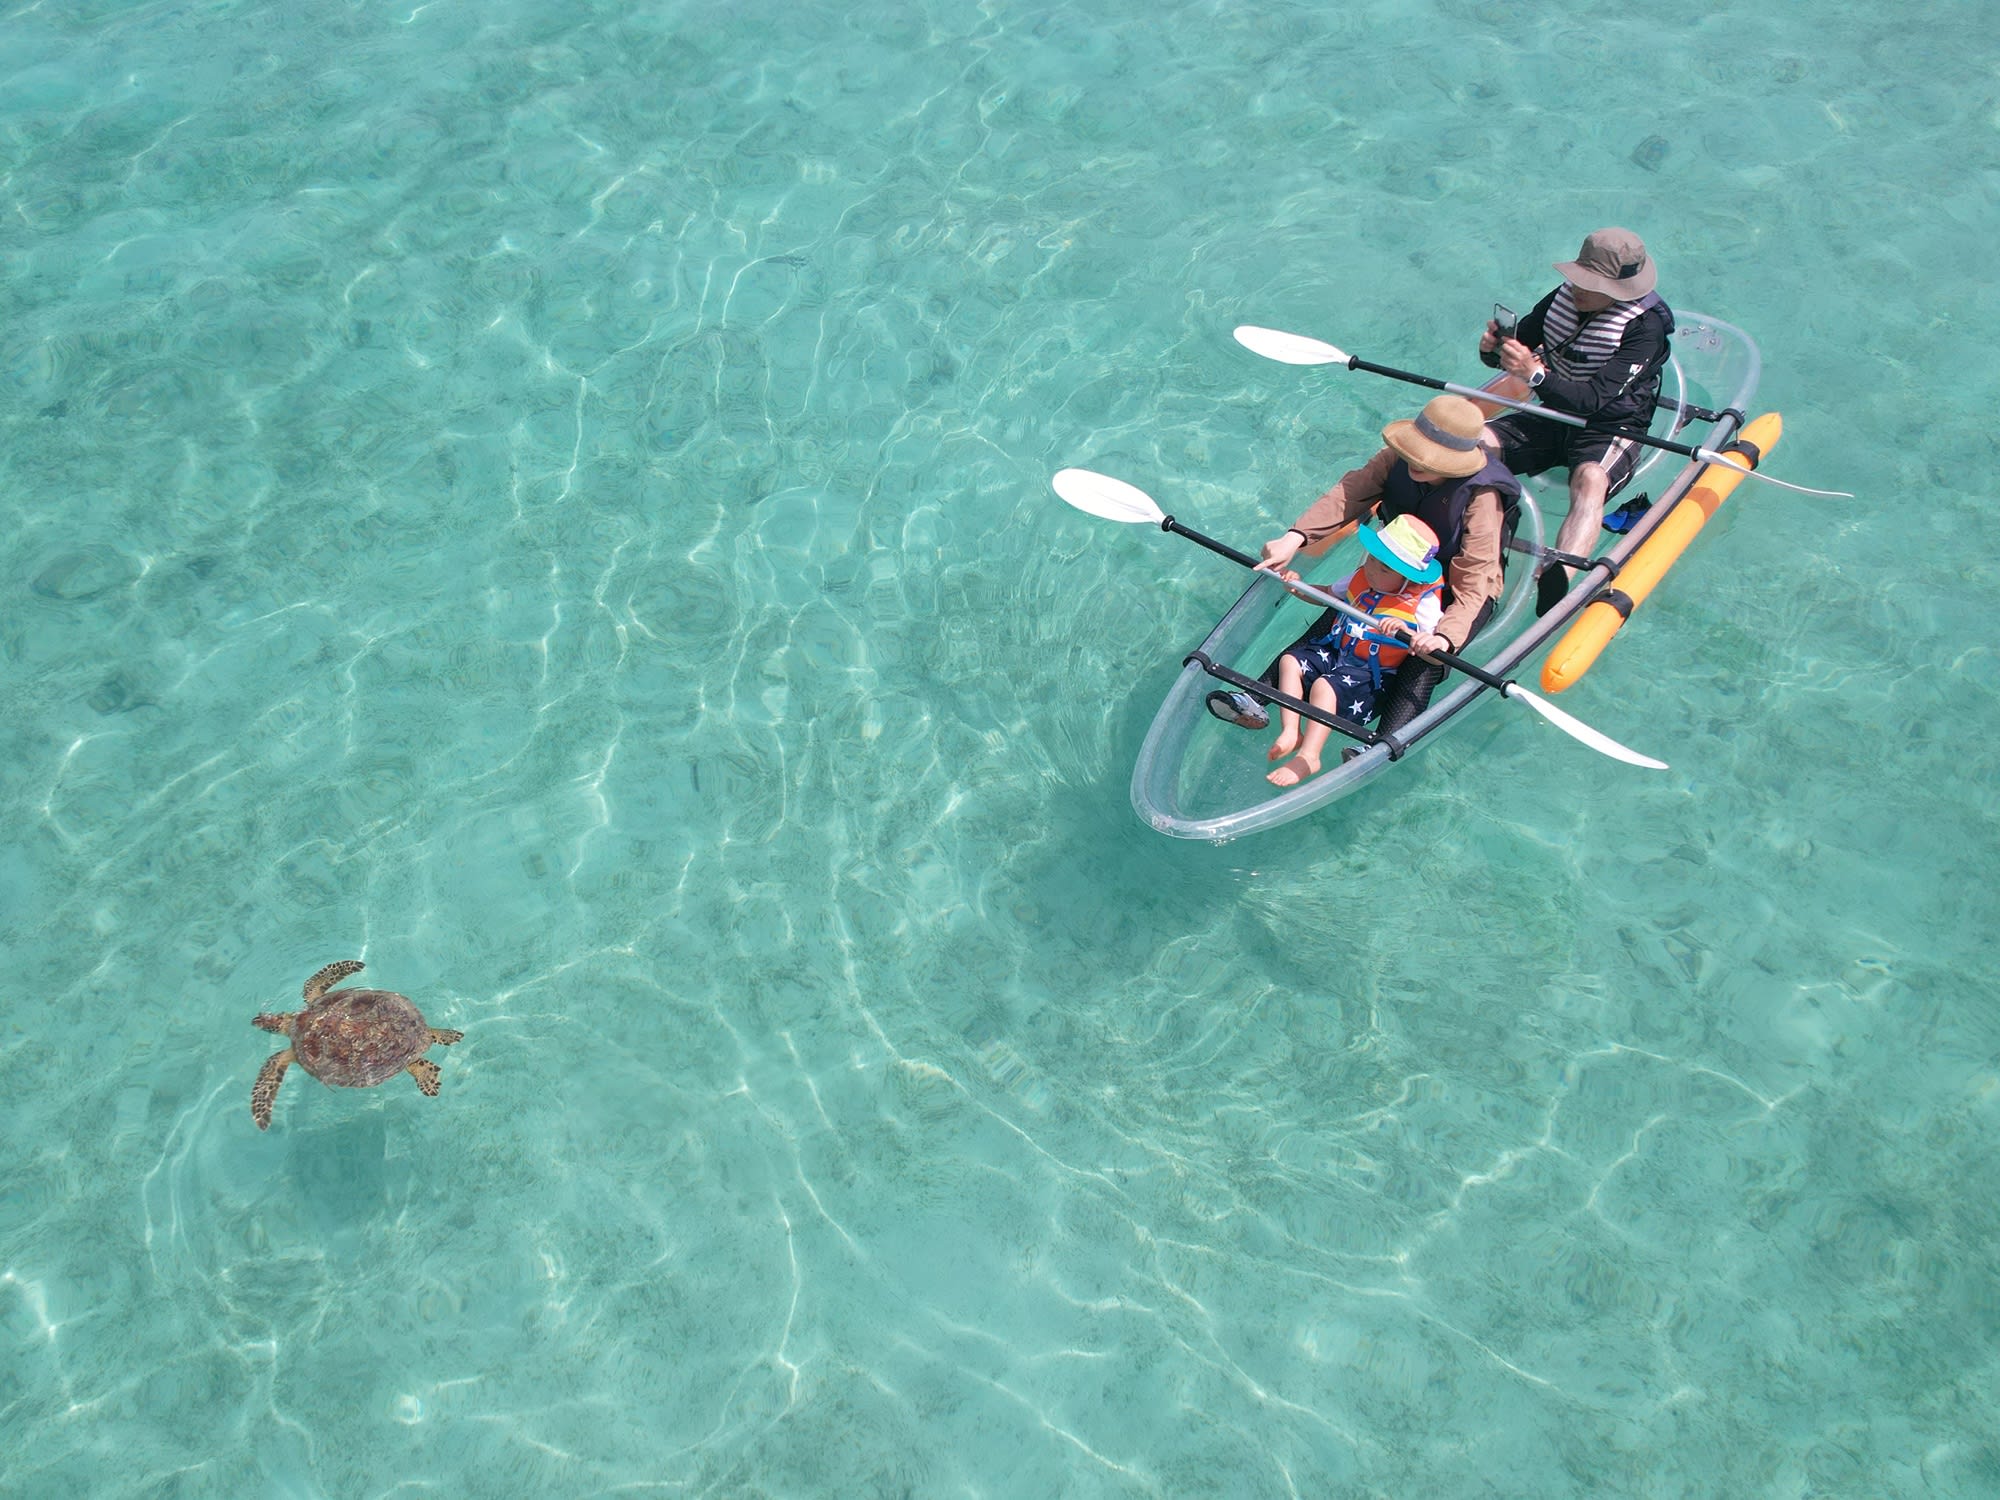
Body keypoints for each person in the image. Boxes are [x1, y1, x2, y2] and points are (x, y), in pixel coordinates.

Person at [1205, 392, 1521, 739]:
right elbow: (1348, 493)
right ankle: (1254, 698)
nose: (1415, 459)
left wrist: (1444, 637)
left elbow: (1475, 581)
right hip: (1393, 562)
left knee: (1423, 661)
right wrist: (1295, 537)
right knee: (1339, 615)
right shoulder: (1397, 458)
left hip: (1456, 589)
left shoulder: (1481, 497)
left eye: (1430, 457)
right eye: (1416, 449)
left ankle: (1383, 743)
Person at [1479, 227, 1674, 613]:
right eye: (1578, 277)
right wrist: (1493, 351)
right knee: (1477, 442)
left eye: (1590, 283)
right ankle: (1470, 532)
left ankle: (1562, 574)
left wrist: (1534, 374)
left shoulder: (1646, 329)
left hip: (1610, 425)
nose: (1576, 287)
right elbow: (1520, 347)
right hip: (1552, 413)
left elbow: (1593, 400)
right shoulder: (1562, 298)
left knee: (1590, 480)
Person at [1264, 514, 1443, 787]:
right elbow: (1326, 593)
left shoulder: (1422, 602)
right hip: (1337, 654)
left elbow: (1429, 648)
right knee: (1289, 661)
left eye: (1384, 569)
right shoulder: (1361, 577)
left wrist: (1407, 633)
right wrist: (1296, 586)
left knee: (1324, 686)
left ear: (1408, 579)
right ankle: (1291, 730)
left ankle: (1310, 756)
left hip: (1371, 677)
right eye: (1372, 559)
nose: (1372, 569)